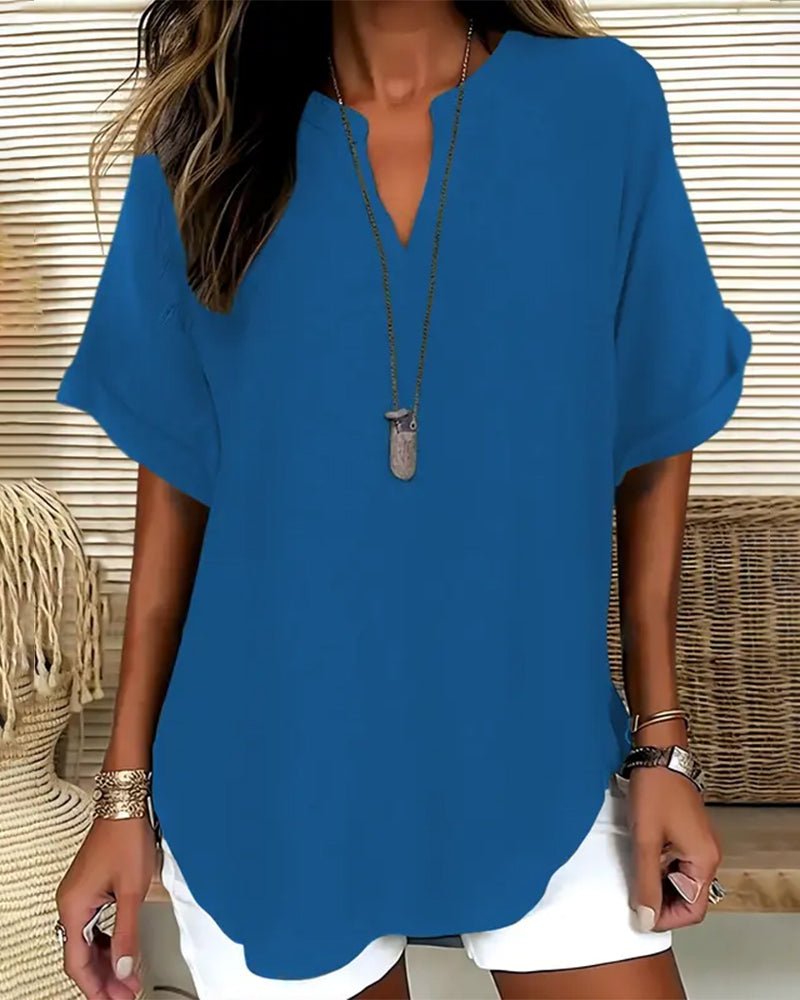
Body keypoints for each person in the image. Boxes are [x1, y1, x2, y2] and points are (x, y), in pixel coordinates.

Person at [53, 1, 751, 998]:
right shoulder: (208, 138)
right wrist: (123, 797)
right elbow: (175, 494)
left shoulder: (599, 106)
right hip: (272, 767)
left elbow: (656, 413)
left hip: (534, 740)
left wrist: (659, 743)